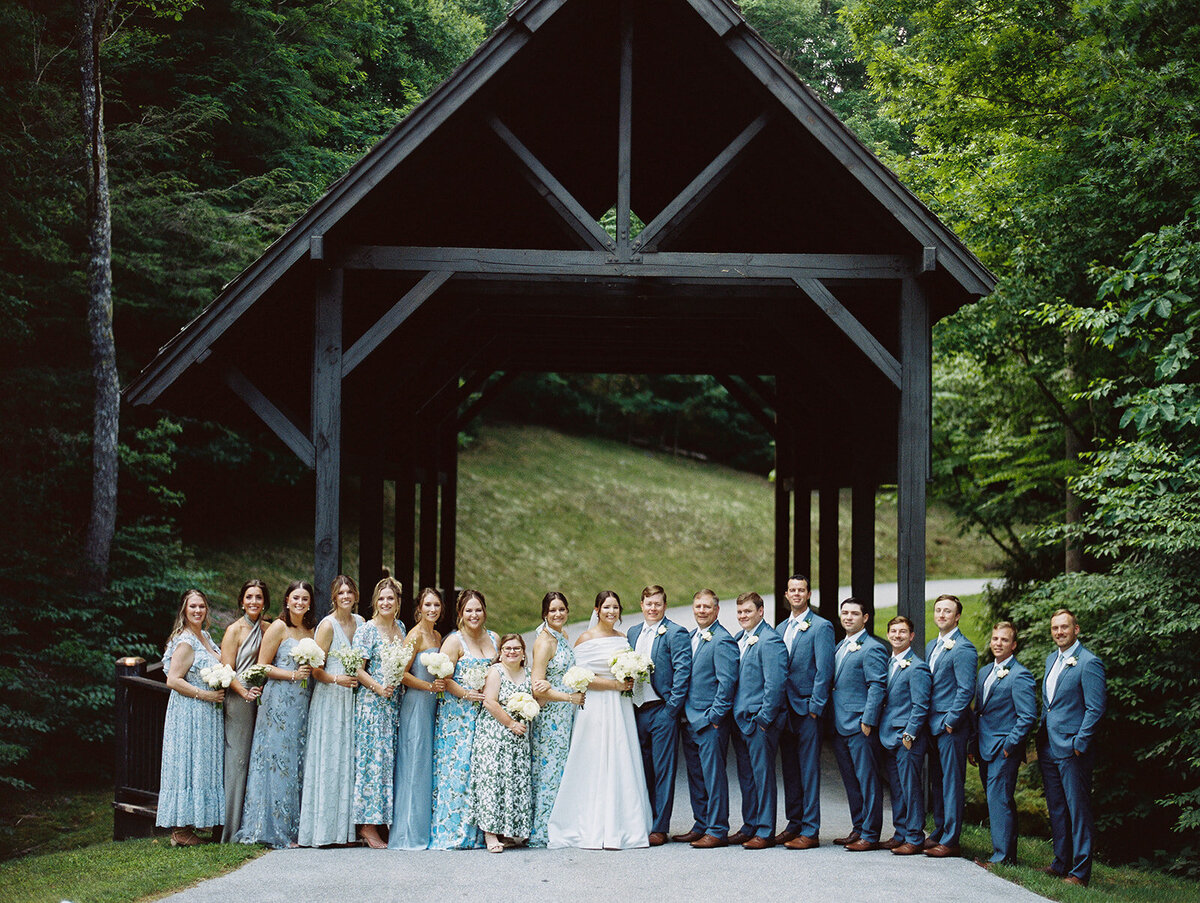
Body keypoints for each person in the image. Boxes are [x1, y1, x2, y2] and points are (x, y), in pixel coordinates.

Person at [547, 590, 652, 849]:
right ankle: (589, 823)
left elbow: (630, 673)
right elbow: (581, 677)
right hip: (595, 706)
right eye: (606, 607)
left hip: (620, 708)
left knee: (621, 755)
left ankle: (625, 824)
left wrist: (631, 678)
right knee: (592, 758)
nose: (611, 612)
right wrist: (615, 685)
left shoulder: (624, 639)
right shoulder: (585, 638)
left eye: (615, 607)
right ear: (597, 610)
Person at [235, 580, 316, 847]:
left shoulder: (311, 629)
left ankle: (296, 827)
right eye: (296, 598)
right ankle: (274, 828)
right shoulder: (279, 627)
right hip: (278, 701)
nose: (300, 603)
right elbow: (262, 667)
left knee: (297, 762)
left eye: (305, 599)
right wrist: (294, 674)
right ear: (287, 600)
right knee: (277, 761)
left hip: (302, 703)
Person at [1038, 608, 1106, 887]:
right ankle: (1060, 862)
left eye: (1064, 627)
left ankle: (1080, 871)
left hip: (1072, 748)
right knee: (1056, 807)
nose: (1059, 632)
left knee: (1078, 809)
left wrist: (1080, 743)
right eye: (1055, 628)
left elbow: (1095, 708)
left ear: (1076, 629)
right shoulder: (1051, 659)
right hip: (1048, 746)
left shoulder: (1088, 662)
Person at [156, 589, 225, 846]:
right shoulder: (186, 640)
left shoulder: (204, 636)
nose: (197, 611)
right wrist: (204, 696)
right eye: (192, 606)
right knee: (186, 762)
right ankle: (179, 830)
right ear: (184, 610)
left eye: (202, 606)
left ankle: (194, 823)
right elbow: (172, 680)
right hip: (189, 711)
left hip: (206, 713)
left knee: (201, 764)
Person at [297, 575, 363, 847]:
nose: (345, 596)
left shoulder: (361, 623)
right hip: (330, 698)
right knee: (329, 759)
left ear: (356, 595)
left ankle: (344, 832)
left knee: (347, 761)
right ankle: (322, 831)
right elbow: (315, 669)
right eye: (341, 592)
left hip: (352, 699)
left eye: (350, 591)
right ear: (334, 597)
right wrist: (338, 680)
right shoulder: (327, 625)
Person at [430, 589, 498, 850]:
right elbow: (442, 677)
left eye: (478, 609)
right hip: (457, 715)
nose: (474, 614)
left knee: (483, 771)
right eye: (468, 610)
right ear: (460, 614)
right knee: (459, 770)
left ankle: (484, 830)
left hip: (485, 714)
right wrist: (466, 693)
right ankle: (454, 830)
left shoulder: (494, 638)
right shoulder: (453, 641)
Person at [626, 584, 691, 845]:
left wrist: (671, 710)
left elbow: (683, 673)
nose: (653, 608)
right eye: (648, 604)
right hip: (636, 710)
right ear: (641, 605)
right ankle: (643, 819)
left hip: (662, 709)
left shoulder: (675, 633)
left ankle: (660, 827)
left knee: (663, 769)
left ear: (665, 606)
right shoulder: (632, 633)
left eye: (658, 604)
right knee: (642, 769)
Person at [675, 589, 738, 849]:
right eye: (698, 606)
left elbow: (728, 682)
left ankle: (717, 829)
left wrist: (715, 717)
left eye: (707, 607)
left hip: (710, 721)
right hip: (689, 719)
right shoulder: (691, 637)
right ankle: (701, 824)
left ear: (717, 610)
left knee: (713, 776)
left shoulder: (722, 640)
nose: (702, 611)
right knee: (696, 776)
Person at [774, 574, 834, 849]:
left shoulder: (821, 627)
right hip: (784, 709)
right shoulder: (780, 627)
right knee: (789, 769)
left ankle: (810, 830)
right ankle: (794, 823)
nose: (796, 594)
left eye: (801, 590)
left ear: (809, 594)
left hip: (807, 708)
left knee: (809, 769)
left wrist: (815, 707)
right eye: (792, 590)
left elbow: (824, 670)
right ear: (786, 595)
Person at [971, 620, 1037, 868]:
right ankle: (1008, 854)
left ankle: (1001, 857)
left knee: (999, 799)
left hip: (1004, 749)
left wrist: (1010, 745)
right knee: (998, 799)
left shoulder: (1020, 676)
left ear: (1014, 645)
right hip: (984, 745)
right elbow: (979, 711)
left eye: (1004, 640)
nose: (998, 644)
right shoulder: (985, 671)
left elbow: (1027, 716)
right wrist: (972, 744)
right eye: (995, 639)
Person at [388, 587, 447, 850]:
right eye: (428, 605)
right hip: (416, 704)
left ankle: (425, 827)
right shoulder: (414, 636)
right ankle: (408, 834)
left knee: (425, 764)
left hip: (433, 704)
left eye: (436, 605)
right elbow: (401, 674)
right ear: (419, 608)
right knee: (413, 764)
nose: (432, 610)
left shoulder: (437, 634)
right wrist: (428, 687)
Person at [728, 591, 787, 849]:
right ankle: (749, 824)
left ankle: (765, 830)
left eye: (748, 611)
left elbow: (775, 684)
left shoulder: (770, 640)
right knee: (747, 776)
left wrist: (763, 719)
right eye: (740, 612)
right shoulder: (739, 638)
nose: (743, 616)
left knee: (762, 776)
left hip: (758, 721)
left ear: (761, 612)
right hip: (739, 719)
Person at [351, 574, 406, 849]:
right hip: (372, 705)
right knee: (372, 763)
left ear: (397, 602)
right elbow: (357, 668)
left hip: (394, 705)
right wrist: (378, 687)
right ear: (375, 602)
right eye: (381, 598)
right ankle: (367, 825)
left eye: (390, 598)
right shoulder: (367, 630)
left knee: (389, 762)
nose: (386, 602)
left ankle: (383, 819)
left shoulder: (402, 628)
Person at [829, 597, 888, 851]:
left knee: (867, 779)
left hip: (859, 724)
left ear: (865, 618)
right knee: (850, 780)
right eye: (845, 613)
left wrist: (868, 720)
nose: (848, 617)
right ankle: (858, 826)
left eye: (854, 613)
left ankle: (871, 834)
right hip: (839, 723)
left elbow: (877, 685)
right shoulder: (840, 645)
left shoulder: (872, 648)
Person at [923, 593, 978, 858]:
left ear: (957, 617)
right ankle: (939, 830)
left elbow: (966, 689)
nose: (942, 615)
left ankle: (952, 839)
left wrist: (951, 721)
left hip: (950, 727)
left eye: (947, 611)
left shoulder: (963, 648)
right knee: (938, 781)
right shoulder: (933, 645)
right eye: (938, 610)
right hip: (931, 724)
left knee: (953, 782)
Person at [469, 634, 535, 852]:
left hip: (518, 737)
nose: (512, 652)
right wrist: (510, 723)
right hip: (495, 733)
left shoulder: (527, 673)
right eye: (507, 648)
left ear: (524, 652)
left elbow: (535, 699)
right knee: (494, 781)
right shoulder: (496, 671)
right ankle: (490, 833)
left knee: (513, 780)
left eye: (517, 648)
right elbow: (489, 701)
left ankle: (507, 830)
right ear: (501, 651)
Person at [528, 591, 584, 847]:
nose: (558, 614)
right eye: (553, 611)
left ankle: (560, 822)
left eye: (562, 609)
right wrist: (569, 698)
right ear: (544, 614)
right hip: (551, 715)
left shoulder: (561, 636)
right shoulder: (544, 642)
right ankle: (543, 830)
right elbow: (537, 687)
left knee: (561, 770)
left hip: (564, 715)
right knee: (549, 771)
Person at [219, 579, 269, 842]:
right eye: (249, 597)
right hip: (239, 698)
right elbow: (227, 670)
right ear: (241, 601)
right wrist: (243, 692)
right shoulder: (234, 631)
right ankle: (229, 829)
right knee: (238, 761)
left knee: (256, 760)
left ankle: (252, 824)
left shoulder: (268, 628)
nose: (253, 602)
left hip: (262, 697)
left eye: (258, 597)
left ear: (265, 602)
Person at [878, 615, 931, 856]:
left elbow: (921, 705)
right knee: (897, 789)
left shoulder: (917, 666)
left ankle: (914, 836)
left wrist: (909, 735)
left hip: (906, 739)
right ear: (888, 634)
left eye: (903, 632)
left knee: (910, 788)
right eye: (893, 631)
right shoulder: (887, 663)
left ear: (911, 636)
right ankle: (900, 833)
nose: (897, 635)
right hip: (887, 736)